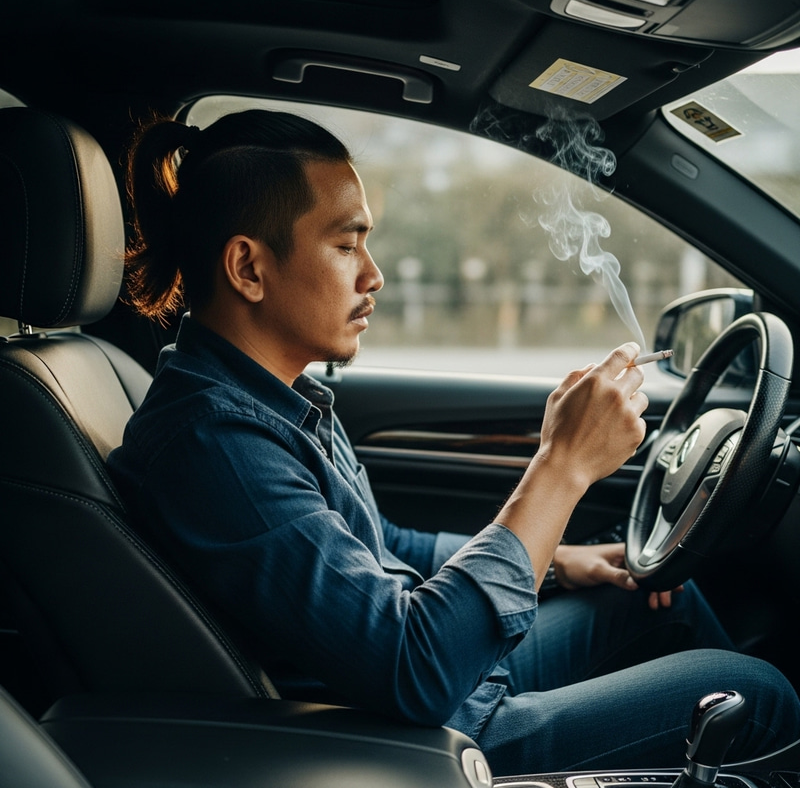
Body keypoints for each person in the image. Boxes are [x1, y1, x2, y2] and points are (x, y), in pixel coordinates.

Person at [107, 108, 800, 777]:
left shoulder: (264, 402)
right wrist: (561, 467)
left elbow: (380, 546)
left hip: (447, 682)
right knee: (755, 695)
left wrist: (557, 560)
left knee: (657, 597)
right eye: (346, 245)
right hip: (426, 740)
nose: (373, 274)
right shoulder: (217, 445)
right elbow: (416, 671)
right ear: (248, 269)